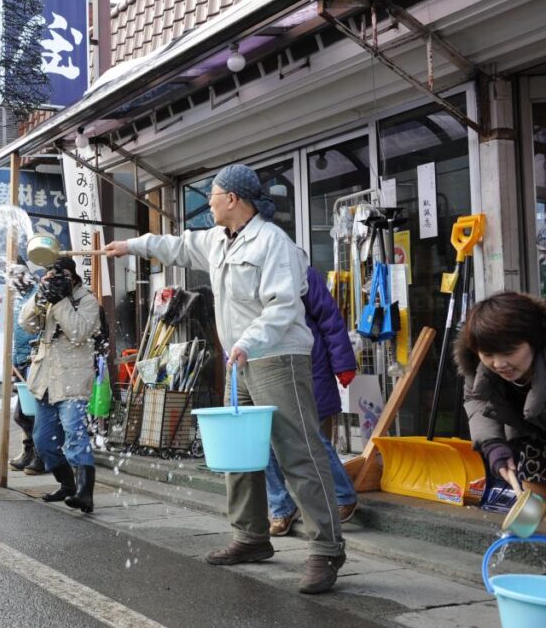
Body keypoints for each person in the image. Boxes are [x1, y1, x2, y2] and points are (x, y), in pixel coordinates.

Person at [104, 163, 346, 594]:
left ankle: (326, 549)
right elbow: (175, 245)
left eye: (213, 195)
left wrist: (248, 342)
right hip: (242, 360)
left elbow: (283, 308)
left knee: (298, 453)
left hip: (277, 357)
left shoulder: (274, 243)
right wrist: (129, 245)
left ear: (232, 199)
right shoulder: (218, 240)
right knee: (241, 451)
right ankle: (251, 537)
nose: (209, 202)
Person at [267, 266, 359, 536]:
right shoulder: (245, 273)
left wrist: (343, 363)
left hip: (308, 366)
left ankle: (344, 496)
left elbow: (329, 318)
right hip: (265, 367)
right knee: (264, 440)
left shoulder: (300, 271)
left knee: (310, 438)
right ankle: (281, 507)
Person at [19, 256, 100, 514]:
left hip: (72, 379)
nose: (56, 280)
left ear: (73, 275)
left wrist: (61, 300)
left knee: (75, 436)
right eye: (52, 275)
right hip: (46, 379)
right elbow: (27, 324)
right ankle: (67, 485)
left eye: (61, 275)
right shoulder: (48, 294)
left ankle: (85, 494)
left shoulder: (86, 300)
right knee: (43, 442)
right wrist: (40, 295)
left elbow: (78, 332)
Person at [455, 291, 546, 499]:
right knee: (534, 497)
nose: (498, 364)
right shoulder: (477, 368)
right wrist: (493, 444)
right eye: (488, 354)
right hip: (533, 433)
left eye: (508, 352)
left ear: (534, 340)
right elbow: (476, 399)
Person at [7, 265, 46, 475]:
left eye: (20, 276)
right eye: (13, 277)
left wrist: (34, 357)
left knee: (33, 413)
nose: (16, 280)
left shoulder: (37, 295)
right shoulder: (18, 298)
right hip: (22, 361)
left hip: (36, 360)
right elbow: (16, 335)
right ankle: (29, 452)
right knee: (22, 415)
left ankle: (42, 456)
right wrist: (13, 363)